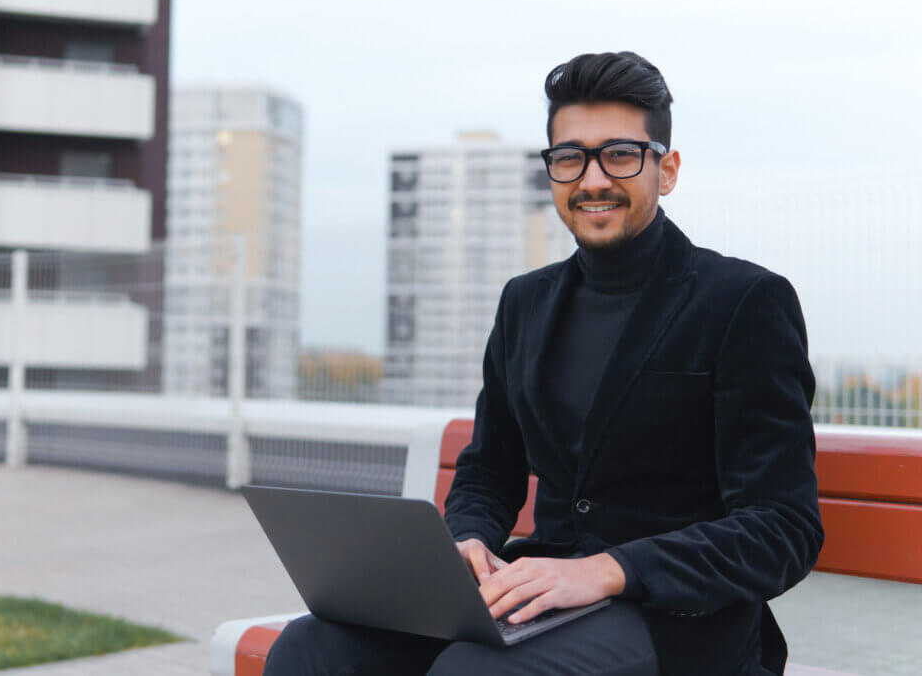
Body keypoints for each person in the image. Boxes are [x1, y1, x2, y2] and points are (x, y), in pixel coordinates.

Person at [264, 50, 823, 676]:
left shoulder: (744, 302)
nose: (591, 180)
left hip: (681, 626)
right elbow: (487, 472)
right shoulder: (525, 302)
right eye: (569, 157)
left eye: (619, 154)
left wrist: (608, 571)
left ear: (666, 170)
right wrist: (468, 542)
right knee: (310, 649)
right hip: (542, 596)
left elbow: (783, 526)